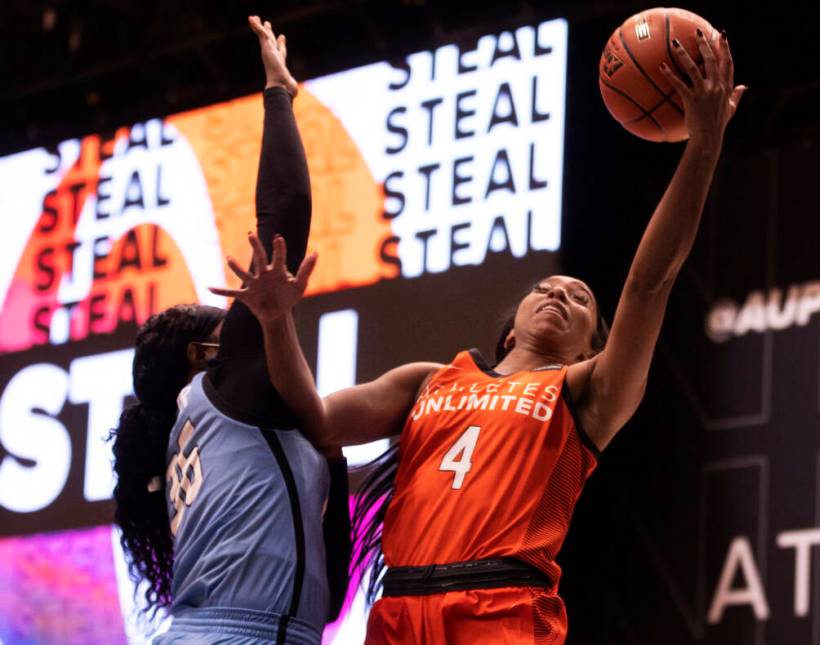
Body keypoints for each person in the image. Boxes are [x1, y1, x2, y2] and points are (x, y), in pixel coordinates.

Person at [218, 30, 744, 644]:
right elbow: (318, 422)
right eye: (547, 287)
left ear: (590, 349)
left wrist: (703, 148)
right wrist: (277, 321)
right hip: (398, 612)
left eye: (580, 298)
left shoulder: (587, 394)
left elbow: (649, 284)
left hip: (501, 610)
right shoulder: (429, 380)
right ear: (509, 327)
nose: (559, 295)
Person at [110, 16, 350, 645]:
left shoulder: (199, 434)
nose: (247, 316)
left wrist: (333, 462)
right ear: (206, 353)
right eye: (233, 321)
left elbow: (328, 600)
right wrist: (278, 92)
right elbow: (285, 214)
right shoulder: (223, 390)